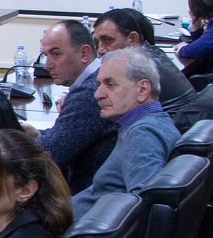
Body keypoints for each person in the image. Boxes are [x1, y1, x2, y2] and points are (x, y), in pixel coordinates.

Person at [72, 49, 179, 216]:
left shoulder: (142, 134)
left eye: (110, 84)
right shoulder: (156, 122)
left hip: (74, 229)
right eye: (99, 85)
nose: (98, 94)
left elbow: (145, 208)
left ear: (142, 89)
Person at [32, 19, 116, 192]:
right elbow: (64, 136)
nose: (47, 65)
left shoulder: (89, 94)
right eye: (46, 55)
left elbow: (48, 155)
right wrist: (35, 134)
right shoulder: (98, 78)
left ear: (84, 53)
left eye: (56, 54)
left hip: (85, 194)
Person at [93, 7, 193, 104]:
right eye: (97, 42)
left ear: (133, 39)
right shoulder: (152, 52)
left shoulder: (139, 66)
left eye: (107, 40)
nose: (100, 50)